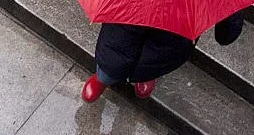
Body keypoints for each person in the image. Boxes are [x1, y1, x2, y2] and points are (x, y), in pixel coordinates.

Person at [81, 10, 245, 102]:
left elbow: (226, 33)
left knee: (155, 60)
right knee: (113, 58)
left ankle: (145, 75)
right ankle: (103, 78)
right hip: (131, 14)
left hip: (176, 27)